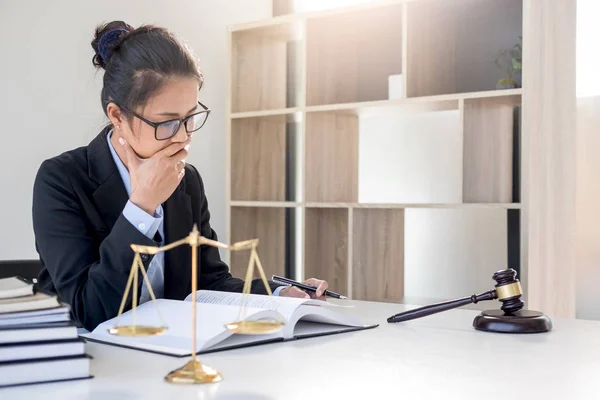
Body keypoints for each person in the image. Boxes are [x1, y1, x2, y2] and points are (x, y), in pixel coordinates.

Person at [32, 21, 328, 332]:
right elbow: (89, 310)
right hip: (85, 360)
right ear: (117, 116)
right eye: (168, 122)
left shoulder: (186, 180)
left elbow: (210, 282)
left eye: (190, 118)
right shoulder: (61, 180)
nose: (184, 136)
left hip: (170, 350)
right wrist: (142, 206)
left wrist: (280, 295)